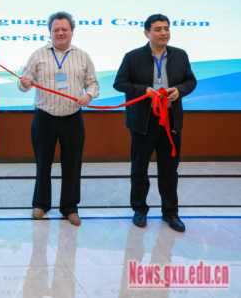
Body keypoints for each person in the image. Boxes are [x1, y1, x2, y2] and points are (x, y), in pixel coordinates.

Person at [114, 14, 196, 232]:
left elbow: (191, 81)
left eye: (166, 28)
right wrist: (144, 90)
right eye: (158, 29)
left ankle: (171, 212)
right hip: (143, 121)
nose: (164, 33)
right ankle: (139, 210)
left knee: (169, 170)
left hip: (171, 121)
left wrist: (179, 90)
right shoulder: (133, 57)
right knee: (139, 168)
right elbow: (119, 83)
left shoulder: (180, 55)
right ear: (146, 33)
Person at [18, 12, 99, 226]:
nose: (60, 33)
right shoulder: (38, 55)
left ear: (72, 32)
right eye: (56, 30)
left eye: (64, 29)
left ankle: (70, 208)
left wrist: (89, 96)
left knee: (72, 164)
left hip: (72, 118)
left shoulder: (83, 56)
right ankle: (40, 204)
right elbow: (23, 83)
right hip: (44, 118)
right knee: (42, 163)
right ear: (50, 32)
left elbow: (93, 83)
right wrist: (24, 83)